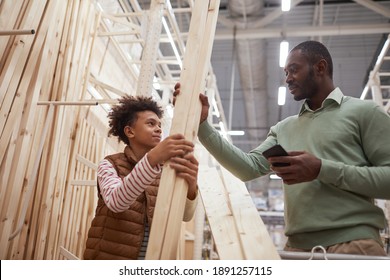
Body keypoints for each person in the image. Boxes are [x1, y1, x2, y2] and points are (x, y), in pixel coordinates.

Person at [174, 40, 390, 256]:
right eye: (286, 72)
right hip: (296, 251)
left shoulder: (365, 113)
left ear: (320, 67)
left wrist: (321, 169)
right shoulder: (283, 128)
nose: (287, 79)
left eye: (294, 70)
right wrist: (202, 125)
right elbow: (247, 168)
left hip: (354, 247)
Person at [84, 95, 199, 260]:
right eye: (151, 124)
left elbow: (185, 216)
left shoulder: (164, 171)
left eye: (159, 125)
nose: (159, 129)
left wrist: (192, 187)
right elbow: (116, 202)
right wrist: (153, 158)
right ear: (130, 131)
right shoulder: (110, 165)